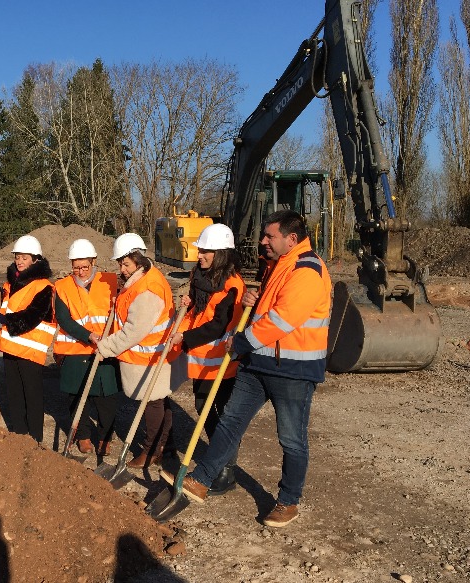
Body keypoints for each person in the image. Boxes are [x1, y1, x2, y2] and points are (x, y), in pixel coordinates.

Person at [161, 210, 332, 528]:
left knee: (291, 439)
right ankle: (202, 479)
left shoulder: (307, 269)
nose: (263, 240)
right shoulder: (278, 264)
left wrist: (240, 342)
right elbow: (270, 307)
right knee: (229, 423)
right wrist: (257, 298)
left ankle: (288, 501)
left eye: (270, 236)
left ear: (291, 239)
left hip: (293, 370)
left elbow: (283, 319)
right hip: (258, 363)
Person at [96, 233, 184, 469]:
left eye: (126, 264)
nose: (122, 269)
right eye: (120, 264)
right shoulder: (142, 279)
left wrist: (106, 347)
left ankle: (151, 450)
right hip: (151, 355)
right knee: (160, 402)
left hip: (149, 357)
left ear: (139, 260)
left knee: (152, 403)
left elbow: (133, 331)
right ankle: (166, 445)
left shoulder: (148, 290)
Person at [169, 223, 245, 495]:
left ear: (221, 254)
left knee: (223, 416)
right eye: (200, 250)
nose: (199, 256)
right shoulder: (199, 276)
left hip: (222, 362)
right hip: (201, 359)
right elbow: (199, 309)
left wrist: (185, 337)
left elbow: (217, 325)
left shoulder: (232, 286)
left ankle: (226, 470)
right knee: (203, 410)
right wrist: (188, 302)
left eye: (205, 252)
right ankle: (217, 456)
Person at [53, 239, 120, 456]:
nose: (81, 272)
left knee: (106, 397)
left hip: (105, 349)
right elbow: (64, 319)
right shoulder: (62, 286)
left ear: (94, 262)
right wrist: (88, 335)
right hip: (75, 349)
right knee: (77, 395)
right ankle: (82, 436)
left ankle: (105, 438)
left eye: (85, 267)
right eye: (76, 267)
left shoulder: (110, 281)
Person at [0, 235, 54, 442]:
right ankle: (19, 437)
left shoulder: (44, 287)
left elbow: (32, 317)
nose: (19, 261)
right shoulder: (10, 284)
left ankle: (35, 439)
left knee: (32, 396)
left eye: (24, 257)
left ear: (35, 259)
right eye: (17, 257)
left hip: (30, 351)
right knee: (14, 394)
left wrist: (6, 320)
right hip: (10, 348)